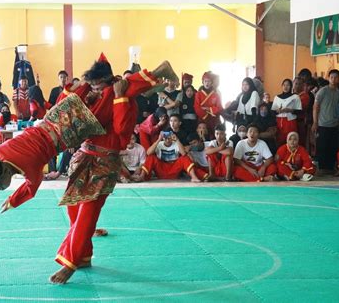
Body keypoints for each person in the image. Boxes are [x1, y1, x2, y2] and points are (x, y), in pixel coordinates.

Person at [50, 57, 178, 284]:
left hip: (104, 162)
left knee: (87, 214)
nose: (96, 90)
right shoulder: (93, 95)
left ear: (107, 82)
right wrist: (78, 88)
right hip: (83, 158)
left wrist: (119, 97)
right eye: (94, 86)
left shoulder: (122, 94)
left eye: (99, 86)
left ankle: (70, 263)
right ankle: (84, 255)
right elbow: (65, 108)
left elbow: (121, 130)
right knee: (73, 209)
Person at [132, 130, 199, 182]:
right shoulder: (159, 144)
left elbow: (183, 154)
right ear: (163, 138)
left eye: (169, 138)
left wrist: (177, 140)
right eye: (165, 138)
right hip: (161, 169)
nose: (167, 140)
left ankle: (194, 177)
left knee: (184, 158)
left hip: (174, 169)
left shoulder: (176, 143)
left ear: (172, 138)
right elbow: (148, 153)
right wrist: (158, 139)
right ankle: (142, 176)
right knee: (151, 157)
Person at [312, 69, 339, 172]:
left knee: (332, 147)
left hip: (334, 125)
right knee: (322, 147)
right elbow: (315, 107)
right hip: (322, 124)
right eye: (331, 77)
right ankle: (321, 169)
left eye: (336, 77)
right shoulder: (323, 91)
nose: (333, 79)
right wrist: (315, 122)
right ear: (329, 78)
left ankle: (330, 169)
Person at [271, 78, 302, 146]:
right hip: (279, 121)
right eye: (284, 85)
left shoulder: (295, 97)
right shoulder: (277, 97)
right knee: (280, 141)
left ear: (291, 86)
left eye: (288, 85)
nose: (285, 87)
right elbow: (272, 112)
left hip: (290, 121)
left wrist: (290, 110)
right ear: (282, 86)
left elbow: (300, 111)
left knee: (292, 141)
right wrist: (278, 111)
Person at [194, 71, 222, 139]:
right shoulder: (198, 94)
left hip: (214, 119)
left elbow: (219, 107)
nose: (207, 83)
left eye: (209, 81)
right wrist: (205, 115)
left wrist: (209, 109)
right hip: (202, 119)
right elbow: (196, 107)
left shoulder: (216, 95)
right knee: (202, 136)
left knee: (214, 136)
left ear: (211, 82)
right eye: (205, 81)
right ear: (203, 82)